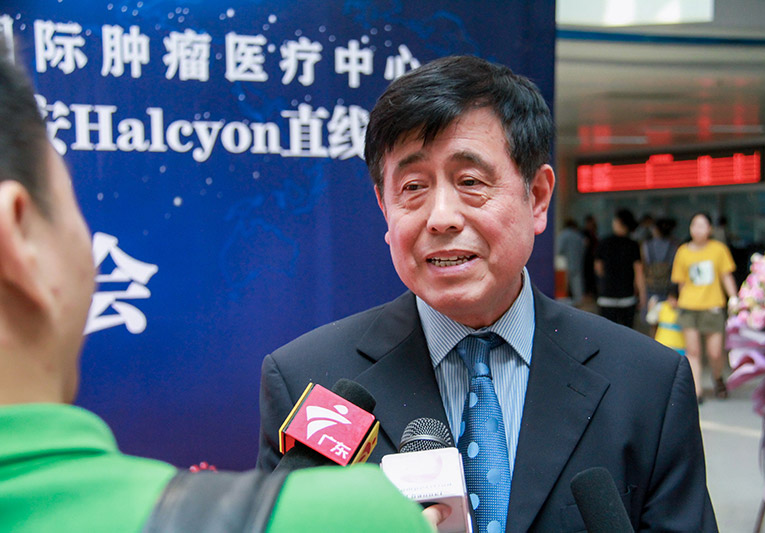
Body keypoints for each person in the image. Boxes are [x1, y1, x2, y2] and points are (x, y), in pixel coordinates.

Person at [258, 55, 717, 532]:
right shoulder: (308, 382)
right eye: (413, 187)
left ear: (537, 197)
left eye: (470, 182)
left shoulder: (648, 383)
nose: (441, 218)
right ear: (384, 208)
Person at [0, 50, 437, 533]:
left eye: (471, 181)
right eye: (70, 203)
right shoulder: (352, 514)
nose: (442, 218)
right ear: (17, 235)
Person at [671, 212, 738, 402]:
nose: (697, 229)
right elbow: (680, 282)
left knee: (715, 352)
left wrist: (734, 297)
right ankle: (697, 391)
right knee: (693, 352)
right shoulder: (682, 251)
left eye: (702, 225)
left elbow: (726, 276)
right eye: (694, 225)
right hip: (689, 307)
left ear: (709, 229)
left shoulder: (718, 249)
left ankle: (718, 378)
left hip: (713, 306)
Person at [594, 208, 647, 328]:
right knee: (627, 333)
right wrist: (642, 295)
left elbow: (598, 268)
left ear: (619, 222)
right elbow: (639, 273)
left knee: (606, 332)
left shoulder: (604, 242)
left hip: (607, 296)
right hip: (627, 297)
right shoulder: (633, 245)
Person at [556, 218, 586, 305]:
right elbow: (583, 249)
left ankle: (566, 302)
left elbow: (558, 250)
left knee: (564, 284)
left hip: (566, 264)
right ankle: (578, 300)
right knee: (577, 283)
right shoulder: (578, 236)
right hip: (577, 261)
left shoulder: (563, 235)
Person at [652, 285, 686, 357]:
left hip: (680, 350)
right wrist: (651, 308)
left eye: (673, 299)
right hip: (662, 346)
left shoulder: (686, 311)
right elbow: (651, 319)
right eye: (669, 298)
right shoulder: (661, 306)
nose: (670, 301)